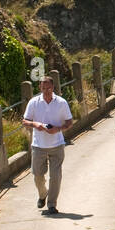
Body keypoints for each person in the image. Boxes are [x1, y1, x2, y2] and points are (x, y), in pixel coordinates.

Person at [22, 76, 73, 214]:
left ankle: (51, 204)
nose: (46, 91)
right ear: (40, 88)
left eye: (49, 88)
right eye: (43, 88)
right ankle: (43, 194)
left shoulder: (61, 102)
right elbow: (25, 121)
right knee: (37, 175)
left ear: (53, 87)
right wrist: (35, 124)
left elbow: (69, 122)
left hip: (57, 145)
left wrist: (57, 129)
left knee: (55, 176)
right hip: (38, 145)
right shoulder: (34, 102)